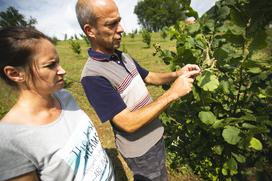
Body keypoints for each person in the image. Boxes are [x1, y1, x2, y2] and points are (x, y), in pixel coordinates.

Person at [75, 0, 201, 180]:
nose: (121, 29)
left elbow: (149, 77)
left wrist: (176, 73)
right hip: (141, 150)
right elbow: (127, 123)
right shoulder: (92, 77)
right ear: (90, 31)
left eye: (119, 21)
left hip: (155, 135)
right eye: (111, 24)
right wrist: (172, 93)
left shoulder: (121, 56)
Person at [0, 27, 114, 181]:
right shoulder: (8, 140)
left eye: (58, 62)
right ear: (15, 74)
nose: (62, 70)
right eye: (50, 65)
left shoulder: (65, 97)